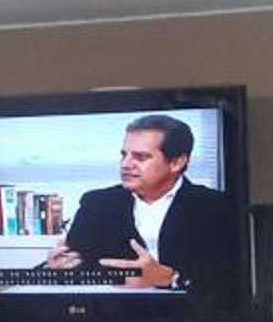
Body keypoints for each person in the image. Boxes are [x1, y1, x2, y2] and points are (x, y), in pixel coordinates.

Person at [43, 113, 235, 292]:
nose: (125, 164)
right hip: (112, 314)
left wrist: (171, 279)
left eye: (141, 157)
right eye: (124, 155)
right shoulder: (97, 205)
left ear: (177, 163)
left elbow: (230, 283)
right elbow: (76, 270)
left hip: (188, 315)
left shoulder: (216, 207)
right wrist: (53, 271)